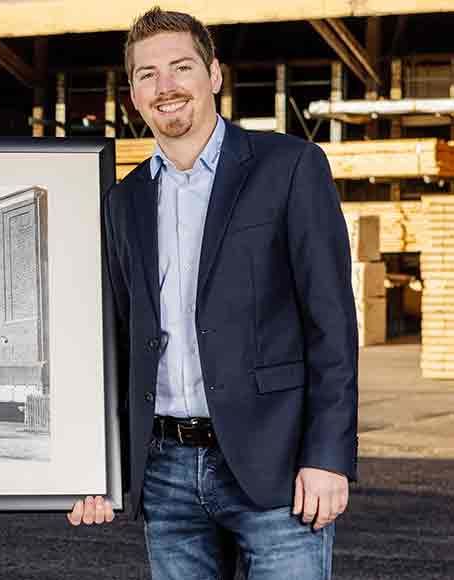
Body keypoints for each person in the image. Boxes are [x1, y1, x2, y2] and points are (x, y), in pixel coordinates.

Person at [70, 8, 358, 580]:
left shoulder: (289, 166)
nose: (166, 87)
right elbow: (118, 340)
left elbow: (332, 321)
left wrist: (327, 456)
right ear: (132, 92)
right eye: (147, 74)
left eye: (180, 67)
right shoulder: (122, 202)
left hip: (276, 464)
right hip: (166, 472)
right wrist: (97, 468)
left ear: (214, 75)